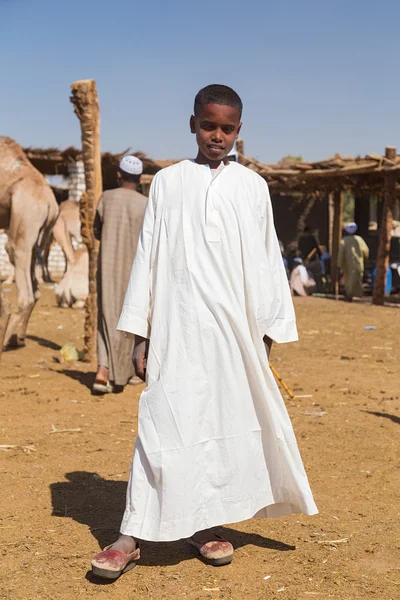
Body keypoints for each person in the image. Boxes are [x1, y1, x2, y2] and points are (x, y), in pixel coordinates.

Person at [91, 84, 317, 579]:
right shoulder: (168, 183)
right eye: (209, 125)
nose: (217, 136)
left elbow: (264, 262)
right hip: (177, 329)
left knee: (219, 426)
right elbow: (149, 258)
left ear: (240, 130)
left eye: (227, 128)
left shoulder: (252, 187)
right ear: (192, 123)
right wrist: (142, 333)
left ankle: (205, 523)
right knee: (161, 423)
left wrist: (267, 333)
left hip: (233, 335)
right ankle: (131, 535)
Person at [92, 156, 147, 394]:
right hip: (136, 272)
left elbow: (96, 231)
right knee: (133, 317)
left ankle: (103, 371)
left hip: (107, 267)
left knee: (106, 315)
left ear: (118, 175)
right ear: (140, 179)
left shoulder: (106, 198)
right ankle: (130, 372)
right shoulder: (146, 204)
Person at [338, 222, 369, 302]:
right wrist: (365, 260)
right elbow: (366, 251)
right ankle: (356, 295)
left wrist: (340, 264)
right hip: (358, 263)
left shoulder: (343, 241)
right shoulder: (359, 240)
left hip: (347, 264)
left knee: (348, 279)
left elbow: (341, 254)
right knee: (357, 279)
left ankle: (349, 295)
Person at [298, 226, 322, 291]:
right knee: (316, 275)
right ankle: (318, 289)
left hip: (305, 260)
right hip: (312, 260)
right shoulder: (312, 238)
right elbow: (316, 248)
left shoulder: (301, 239)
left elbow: (299, 249)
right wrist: (320, 256)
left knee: (305, 275)